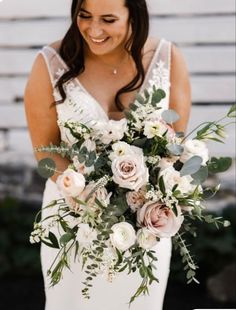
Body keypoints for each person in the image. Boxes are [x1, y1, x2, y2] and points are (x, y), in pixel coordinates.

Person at [24, 0, 191, 309]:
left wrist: (147, 195)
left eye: (108, 19)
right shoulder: (50, 63)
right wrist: (83, 193)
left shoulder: (167, 59)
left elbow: (174, 147)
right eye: (84, 16)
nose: (94, 29)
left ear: (134, 15)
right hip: (72, 219)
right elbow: (44, 152)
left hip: (144, 224)